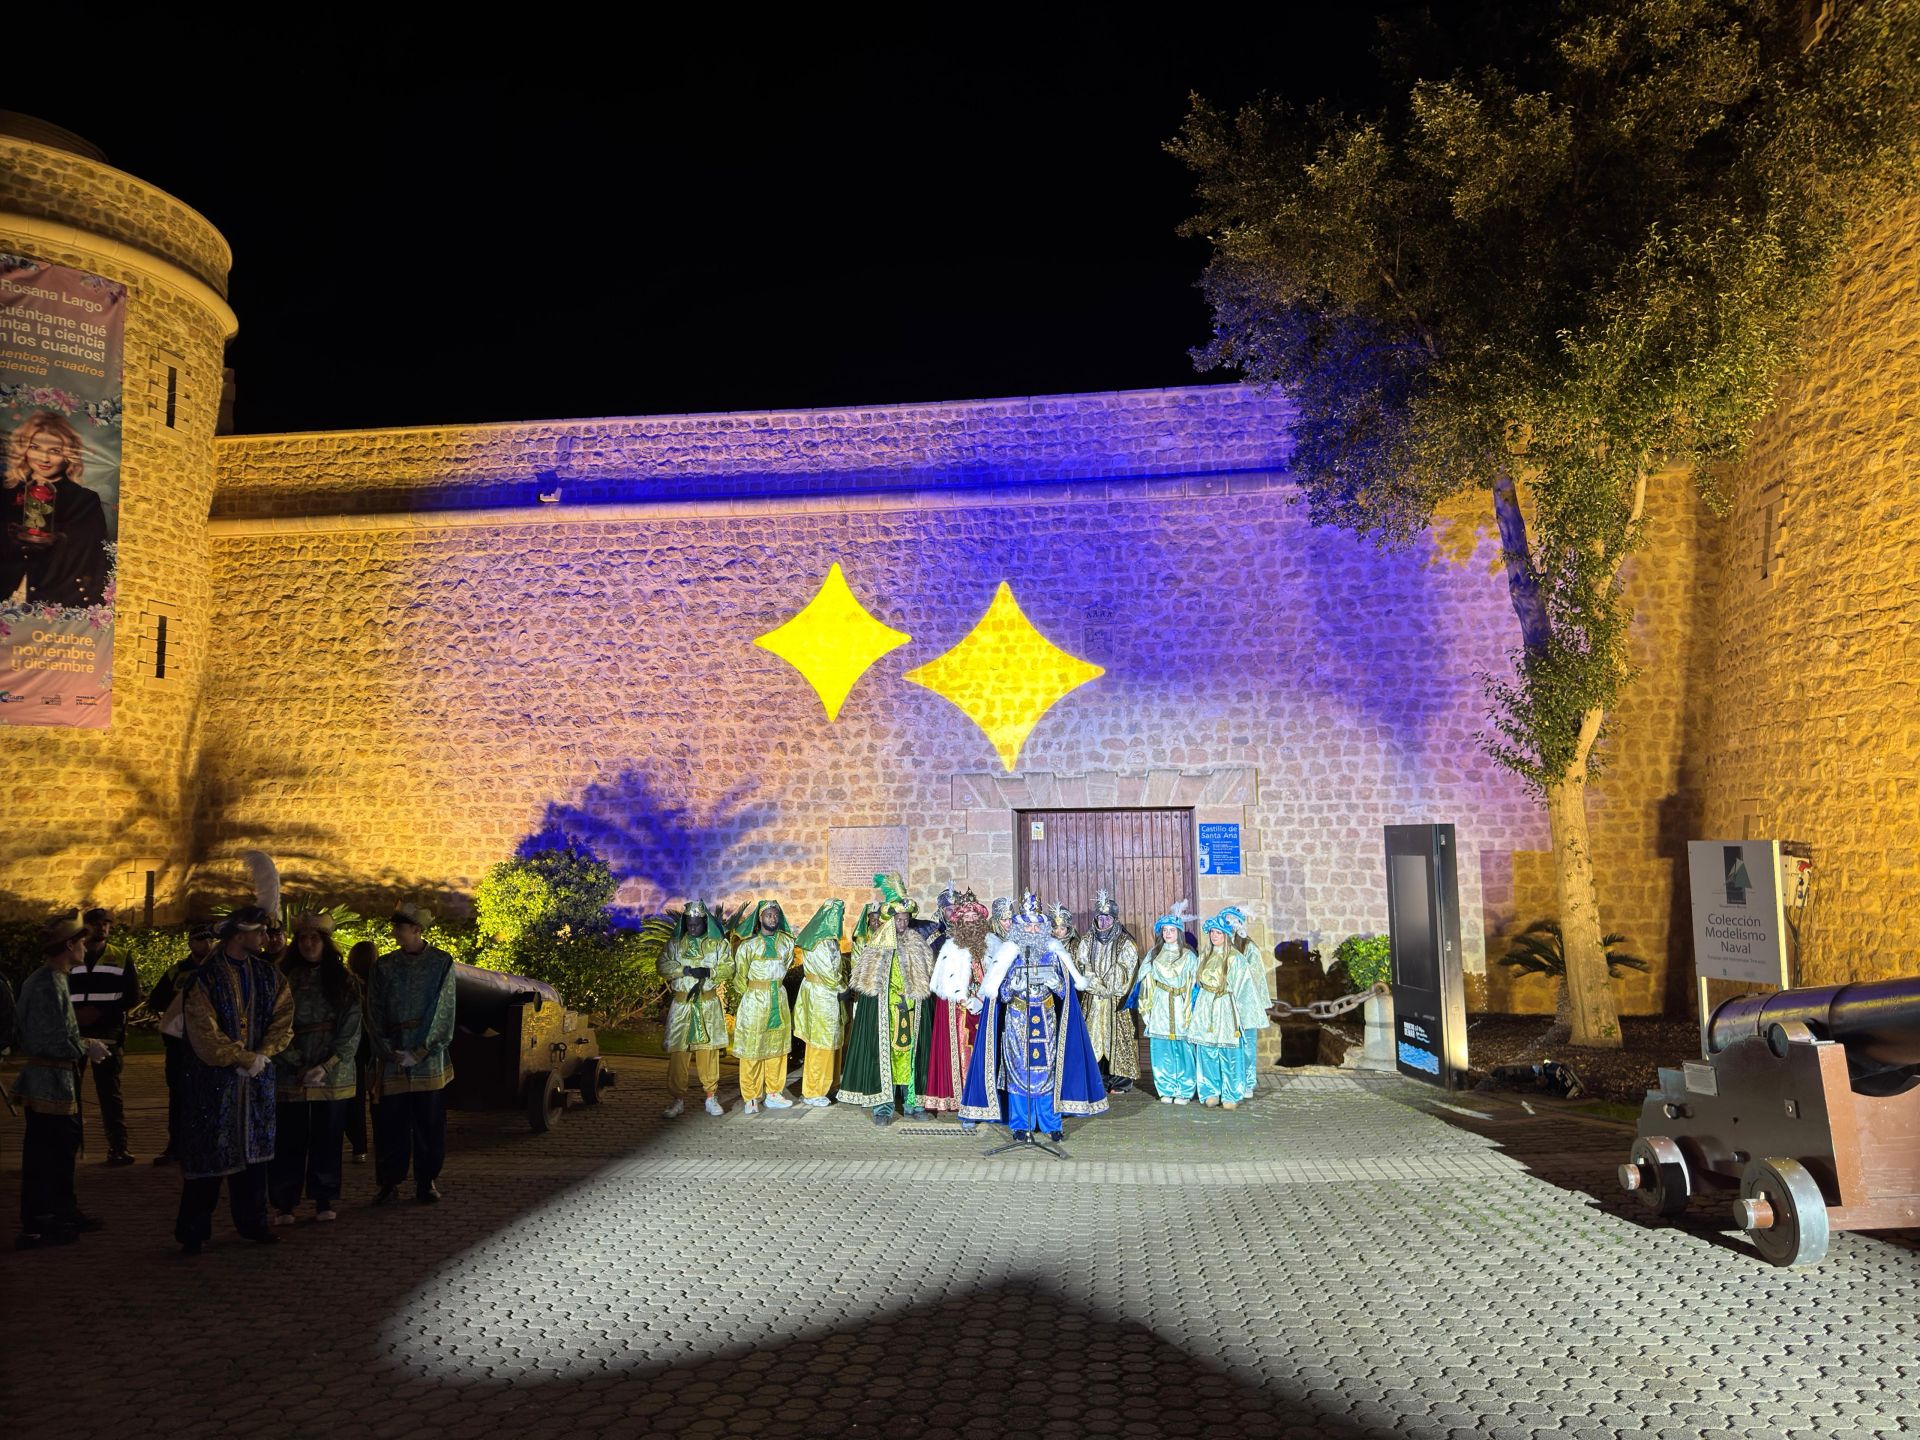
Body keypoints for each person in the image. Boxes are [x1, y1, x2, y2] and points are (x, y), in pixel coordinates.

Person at [175, 905, 293, 1254]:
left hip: (256, 1081)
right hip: (212, 1084)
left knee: (254, 1159)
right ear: (240, 935)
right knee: (209, 1158)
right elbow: (203, 1032)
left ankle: (253, 1223)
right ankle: (193, 1231)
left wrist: (263, 1054)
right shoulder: (205, 978)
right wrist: (240, 1057)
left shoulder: (269, 976)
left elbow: (284, 1017)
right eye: (258, 932)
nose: (265, 938)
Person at [961, 892, 1107, 1141]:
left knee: (1047, 1072)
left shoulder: (1054, 953)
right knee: (1019, 1073)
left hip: (1047, 1021)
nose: (1032, 928)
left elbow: (1066, 993)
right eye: (1027, 924)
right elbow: (1000, 995)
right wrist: (1013, 986)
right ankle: (1021, 1124)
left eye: (1036, 924)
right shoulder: (1009, 955)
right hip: (1017, 1021)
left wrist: (1054, 982)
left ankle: (1051, 1124)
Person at [11, 916, 110, 1247]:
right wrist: (84, 1045)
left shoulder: (54, 980)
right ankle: (40, 1221)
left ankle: (61, 1211)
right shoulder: (45, 984)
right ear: (69, 945)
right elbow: (46, 1038)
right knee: (45, 1156)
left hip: (58, 1082)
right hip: (47, 1083)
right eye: (81, 942)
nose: (85, 947)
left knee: (60, 1151)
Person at [269, 913, 362, 1224]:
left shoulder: (343, 980)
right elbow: (274, 1025)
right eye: (303, 938)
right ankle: (285, 1201)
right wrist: (294, 1060)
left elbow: (351, 1028)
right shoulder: (282, 979)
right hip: (290, 1068)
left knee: (327, 1136)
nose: (308, 944)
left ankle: (324, 1198)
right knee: (289, 1138)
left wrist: (326, 1065)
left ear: (325, 942)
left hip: (330, 1072)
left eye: (315, 938)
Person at [366, 903, 457, 1205]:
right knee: (390, 1123)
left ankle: (426, 1179)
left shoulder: (441, 963)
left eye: (400, 928)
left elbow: (444, 1009)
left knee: (429, 1123)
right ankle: (389, 1182)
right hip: (393, 1055)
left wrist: (422, 1050)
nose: (394, 933)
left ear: (416, 930)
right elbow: (374, 1009)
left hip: (427, 1060)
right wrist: (385, 1047)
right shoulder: (384, 966)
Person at [837, 874, 934, 1126]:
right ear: (890, 920)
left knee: (912, 1057)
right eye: (898, 919)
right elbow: (868, 981)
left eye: (905, 919)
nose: (902, 924)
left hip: (912, 1012)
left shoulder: (918, 944)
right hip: (885, 1014)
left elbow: (926, 979)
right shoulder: (877, 946)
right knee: (885, 1057)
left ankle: (913, 1102)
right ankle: (884, 1105)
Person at [2, 411, 110, 608]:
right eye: (35, 447)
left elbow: (90, 555)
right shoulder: (7, 492)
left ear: (68, 455)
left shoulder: (84, 499)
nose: (44, 458)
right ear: (24, 450)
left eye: (55, 451)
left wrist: (57, 539)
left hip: (54, 599)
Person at [68, 906, 140, 1164]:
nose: (103, 927)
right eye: (97, 923)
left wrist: (99, 1011)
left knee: (110, 1093)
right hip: (74, 1033)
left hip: (108, 1032)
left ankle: (118, 1147)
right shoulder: (72, 956)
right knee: (69, 1093)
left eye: (107, 923)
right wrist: (76, 1014)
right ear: (85, 926)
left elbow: (132, 996)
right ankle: (69, 1146)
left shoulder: (120, 957)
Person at [145, 920, 216, 1166]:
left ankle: (205, 1145)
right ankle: (176, 1146)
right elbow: (156, 1000)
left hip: (208, 1043)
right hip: (180, 1044)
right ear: (190, 943)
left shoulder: (218, 968)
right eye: (200, 939)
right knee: (178, 1096)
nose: (206, 944)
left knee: (208, 1096)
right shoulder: (177, 971)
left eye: (209, 939)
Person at [920, 890, 989, 1120]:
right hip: (957, 1011)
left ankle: (984, 1099)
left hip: (984, 1010)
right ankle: (960, 1101)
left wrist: (982, 997)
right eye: (966, 920)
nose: (970, 924)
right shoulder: (950, 949)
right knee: (959, 1053)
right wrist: (960, 997)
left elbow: (995, 978)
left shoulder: (993, 946)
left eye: (974, 920)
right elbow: (943, 983)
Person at [659, 901, 732, 1118]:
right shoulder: (675, 944)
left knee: (708, 1051)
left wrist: (709, 972)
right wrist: (685, 969)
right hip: (682, 1006)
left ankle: (711, 1096)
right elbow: (662, 965)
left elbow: (728, 967)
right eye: (689, 924)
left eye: (696, 924)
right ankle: (677, 1099)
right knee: (678, 1053)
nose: (692, 928)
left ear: (704, 922)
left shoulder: (717, 944)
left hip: (707, 1005)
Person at [730, 901, 796, 1116]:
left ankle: (774, 1093)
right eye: (768, 915)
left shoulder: (787, 943)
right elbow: (740, 975)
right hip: (755, 1001)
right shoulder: (748, 946)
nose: (772, 919)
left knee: (777, 1047)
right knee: (753, 1048)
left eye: (775, 915)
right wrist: (753, 992)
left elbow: (785, 965)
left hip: (779, 997)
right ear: (760, 918)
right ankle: (751, 1096)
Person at [1075, 889, 1142, 1094]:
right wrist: (1096, 985)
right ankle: (1097, 1081)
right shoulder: (1087, 940)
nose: (1103, 922)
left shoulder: (1125, 942)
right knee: (1093, 1039)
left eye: (1107, 918)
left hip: (1115, 1001)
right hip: (1093, 1000)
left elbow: (1126, 968)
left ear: (1114, 919)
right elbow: (1082, 965)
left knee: (1119, 1039)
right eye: (1100, 918)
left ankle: (1120, 1082)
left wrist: (1109, 987)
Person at [1138, 904, 1199, 1105]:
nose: (1168, 934)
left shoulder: (1188, 955)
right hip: (1161, 1004)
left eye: (1172, 930)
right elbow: (1146, 983)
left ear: (1179, 932)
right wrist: (1146, 1008)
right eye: (1165, 930)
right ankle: (1165, 1087)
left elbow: (1193, 984)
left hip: (1181, 1005)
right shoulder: (1154, 955)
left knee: (1183, 1048)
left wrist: (1191, 1008)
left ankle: (1184, 1089)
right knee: (1162, 1049)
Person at [791, 900, 847, 1106]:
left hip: (828, 995)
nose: (841, 919)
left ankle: (830, 1085)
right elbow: (828, 973)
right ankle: (814, 1091)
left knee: (832, 1041)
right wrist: (842, 988)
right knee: (820, 1042)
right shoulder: (819, 942)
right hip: (821, 995)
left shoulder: (829, 940)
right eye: (839, 916)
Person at [1219, 907, 1274, 1104]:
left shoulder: (1248, 947)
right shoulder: (1220, 945)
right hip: (1226, 1004)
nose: (1230, 925)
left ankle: (1248, 1082)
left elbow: (1257, 977)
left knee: (1247, 1046)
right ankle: (1231, 1082)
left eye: (1233, 921)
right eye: (1226, 921)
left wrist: (1259, 1004)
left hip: (1245, 1004)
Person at [1191, 917, 1245, 1108]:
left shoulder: (1235, 958)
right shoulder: (1205, 955)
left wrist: (1241, 1016)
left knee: (1228, 1051)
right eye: (1212, 932)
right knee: (1207, 1050)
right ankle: (1210, 1091)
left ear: (1226, 935)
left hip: (1224, 1006)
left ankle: (1231, 1094)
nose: (1214, 936)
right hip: (1206, 1005)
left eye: (1219, 933)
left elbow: (1242, 988)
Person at [342, 940, 379, 1163]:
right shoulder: (376, 984)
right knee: (377, 1095)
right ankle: (379, 1140)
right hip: (373, 1043)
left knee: (355, 1099)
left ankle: (359, 1146)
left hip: (355, 1044)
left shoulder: (349, 984)